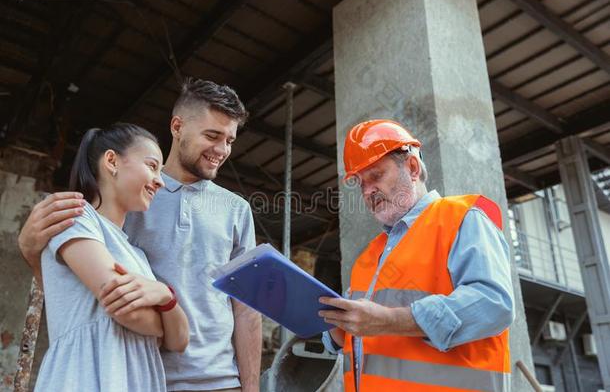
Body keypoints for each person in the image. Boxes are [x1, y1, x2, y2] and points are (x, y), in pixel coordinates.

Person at [19, 78, 261, 392]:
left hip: (219, 382)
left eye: (229, 140)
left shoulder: (237, 209)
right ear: (177, 127)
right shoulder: (129, 196)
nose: (221, 150)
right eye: (212, 136)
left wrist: (251, 388)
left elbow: (246, 308)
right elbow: (75, 287)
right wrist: (28, 248)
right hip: (141, 377)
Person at [318, 119, 514, 392]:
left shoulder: (462, 218)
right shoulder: (369, 258)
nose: (367, 191)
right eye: (360, 183)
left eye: (375, 175)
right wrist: (339, 327)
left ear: (411, 167)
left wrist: (389, 321)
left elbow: (494, 305)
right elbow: (368, 341)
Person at [34, 123, 190, 391]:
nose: (160, 181)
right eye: (152, 166)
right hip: (82, 378)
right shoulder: (77, 218)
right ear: (111, 161)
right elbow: (123, 309)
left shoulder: (137, 255)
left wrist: (165, 296)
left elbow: (181, 341)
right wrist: (166, 319)